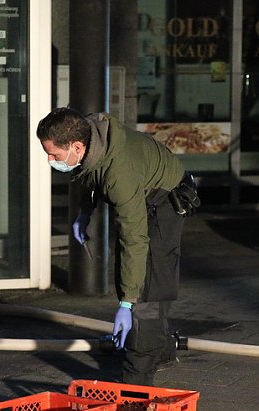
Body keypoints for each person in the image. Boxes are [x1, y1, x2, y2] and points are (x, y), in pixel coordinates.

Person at [37, 107, 198, 385]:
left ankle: (137, 377)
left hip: (165, 200)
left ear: (77, 146)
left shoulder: (119, 175)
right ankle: (160, 350)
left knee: (148, 285)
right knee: (134, 274)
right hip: (143, 186)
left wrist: (127, 302)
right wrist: (85, 211)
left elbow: (134, 239)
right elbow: (87, 174)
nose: (50, 160)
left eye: (54, 155)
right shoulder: (90, 139)